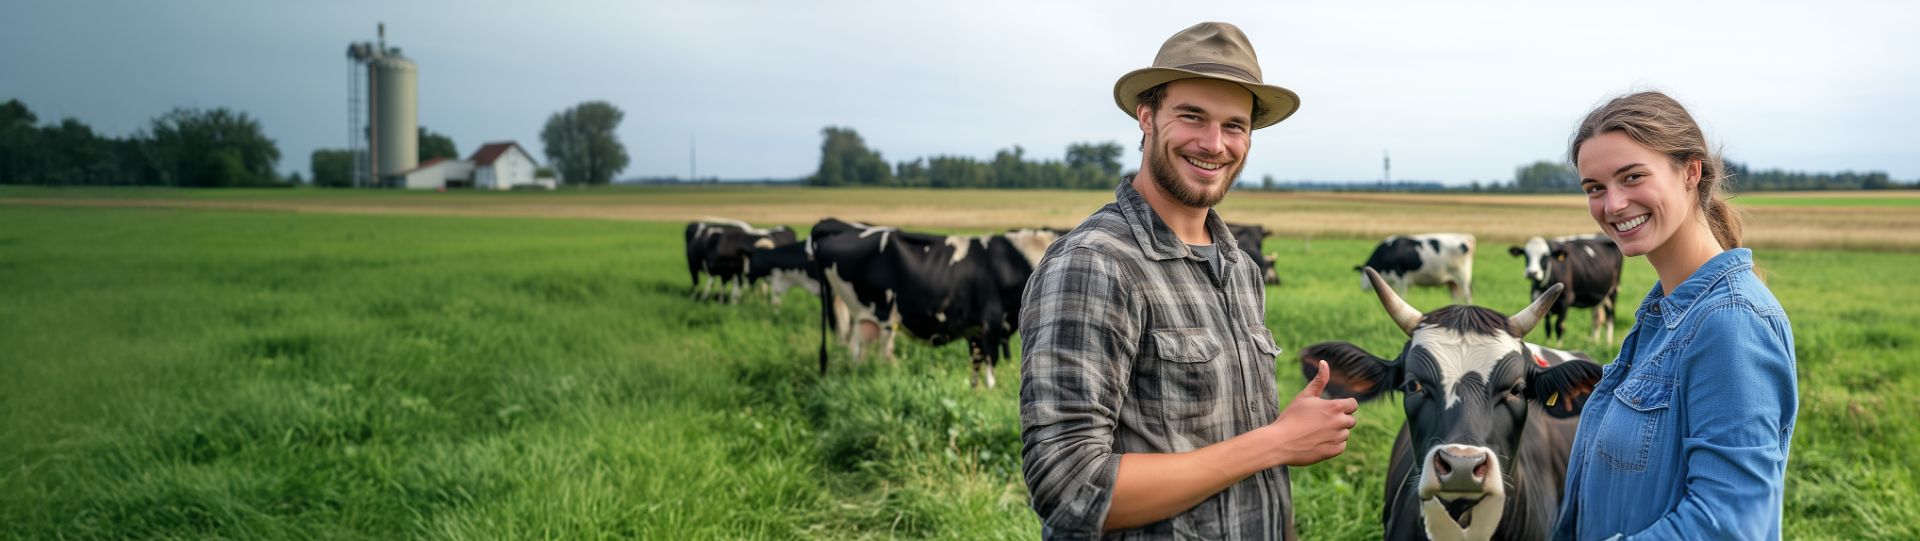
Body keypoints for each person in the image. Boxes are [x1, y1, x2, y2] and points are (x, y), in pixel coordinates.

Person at [1019, 22, 1358, 540]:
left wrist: (1272, 445)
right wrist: (1277, 442)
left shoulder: (1241, 270)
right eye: (1192, 117)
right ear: (1147, 117)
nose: (1214, 144)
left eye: (1235, 125)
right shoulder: (1094, 264)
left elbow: (1249, 472)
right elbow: (1070, 489)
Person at [1552, 91, 1798, 540]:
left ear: (1690, 171)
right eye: (1595, 188)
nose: (1613, 205)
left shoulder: (1730, 321)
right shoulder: (1665, 315)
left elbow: (1729, 525)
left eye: (1632, 177)